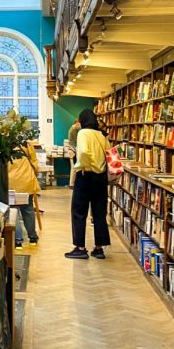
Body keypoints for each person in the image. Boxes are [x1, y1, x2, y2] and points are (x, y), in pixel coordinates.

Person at [65, 109, 110, 260]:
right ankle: (99, 248)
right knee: (99, 212)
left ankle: (80, 247)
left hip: (86, 176)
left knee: (79, 211)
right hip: (101, 178)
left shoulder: (83, 133)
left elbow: (83, 152)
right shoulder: (101, 135)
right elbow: (109, 153)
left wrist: (81, 165)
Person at [8, 140, 40, 247]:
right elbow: (34, 162)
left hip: (11, 182)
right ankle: (33, 238)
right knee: (28, 210)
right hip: (26, 180)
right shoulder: (26, 143)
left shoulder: (3, 145)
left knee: (13, 211)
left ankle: (18, 241)